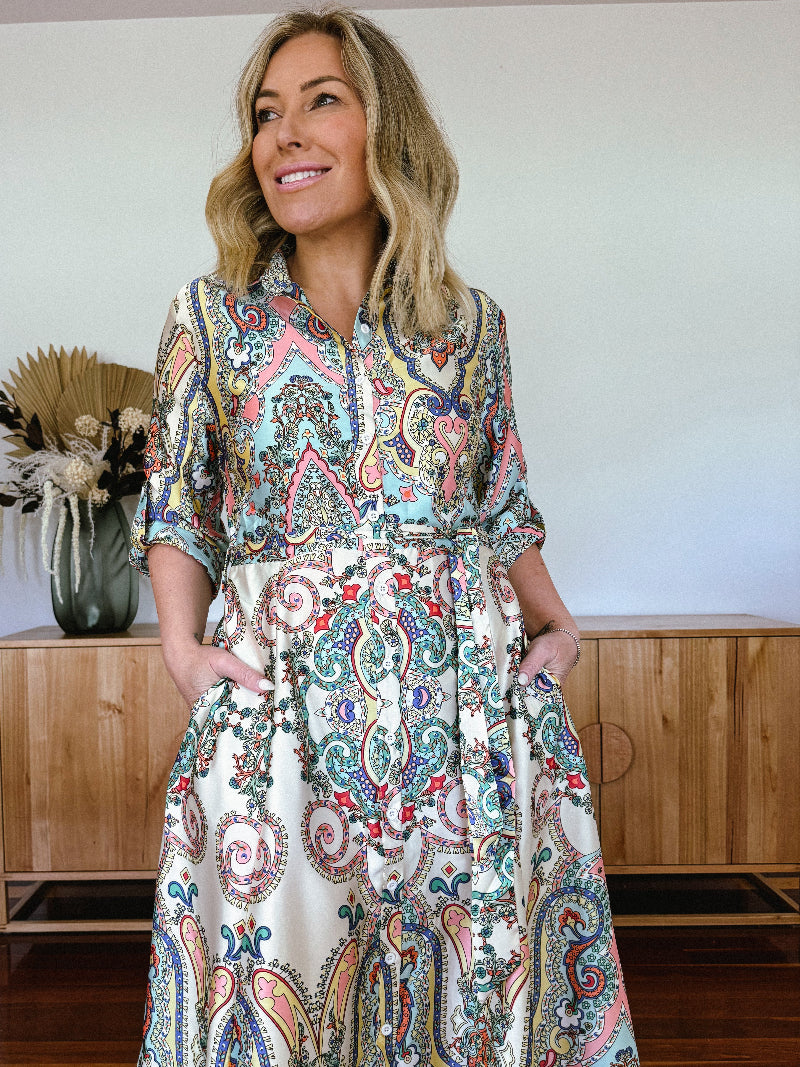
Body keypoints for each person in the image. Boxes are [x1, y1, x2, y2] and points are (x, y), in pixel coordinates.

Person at [131, 8, 639, 1066]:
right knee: (283, 988)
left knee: (465, 985)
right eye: (265, 114)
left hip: (460, 706)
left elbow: (501, 499)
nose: (284, 134)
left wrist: (556, 625)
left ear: (384, 130)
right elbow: (177, 499)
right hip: (283, 712)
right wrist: (183, 650)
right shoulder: (210, 318)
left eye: (320, 100)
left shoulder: (470, 324)